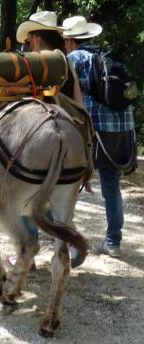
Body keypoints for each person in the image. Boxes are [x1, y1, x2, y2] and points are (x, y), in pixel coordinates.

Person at [9, 11, 86, 270]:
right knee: (56, 193)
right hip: (70, 134)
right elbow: (79, 104)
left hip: (40, 133)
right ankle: (70, 239)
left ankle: (26, 255)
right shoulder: (67, 62)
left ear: (37, 38)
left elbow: (24, 100)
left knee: (26, 197)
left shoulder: (34, 61)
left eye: (30, 38)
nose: (29, 42)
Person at [63, 16, 136, 258]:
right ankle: (113, 242)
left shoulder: (73, 59)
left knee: (69, 181)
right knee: (111, 184)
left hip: (95, 130)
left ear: (71, 40)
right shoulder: (106, 55)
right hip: (123, 127)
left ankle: (68, 242)